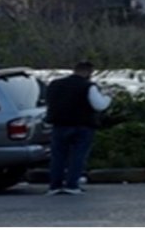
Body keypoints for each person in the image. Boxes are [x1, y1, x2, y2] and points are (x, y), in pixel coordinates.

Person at [44, 60, 111, 195]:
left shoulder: (55, 84)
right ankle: (72, 185)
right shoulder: (88, 86)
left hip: (59, 125)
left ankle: (55, 186)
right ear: (89, 72)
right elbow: (99, 105)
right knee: (78, 156)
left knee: (58, 156)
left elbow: (48, 102)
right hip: (82, 126)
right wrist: (108, 98)